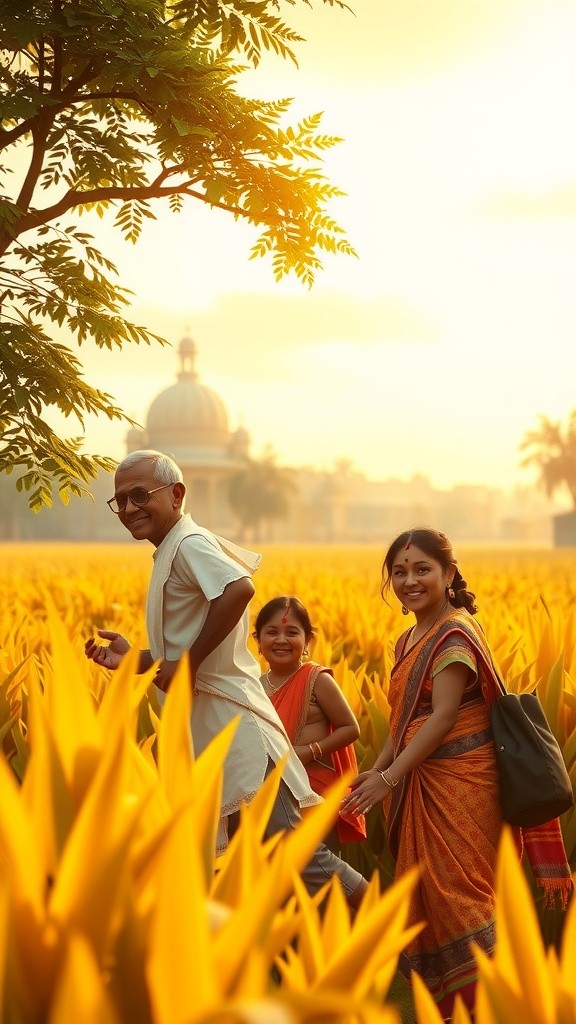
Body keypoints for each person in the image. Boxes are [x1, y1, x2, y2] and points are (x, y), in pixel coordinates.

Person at [84, 449, 367, 909]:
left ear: (176, 494)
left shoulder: (187, 543)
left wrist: (187, 665)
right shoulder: (171, 550)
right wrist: (135, 659)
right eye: (120, 500)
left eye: (140, 494)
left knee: (295, 854)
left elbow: (240, 589)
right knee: (252, 859)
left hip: (238, 734)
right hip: (218, 729)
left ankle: (398, 936)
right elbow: (187, 653)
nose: (130, 508)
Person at [341, 527, 572, 1021]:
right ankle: (451, 1010)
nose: (410, 580)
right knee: (429, 894)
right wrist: (374, 772)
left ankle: (487, 1006)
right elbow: (402, 721)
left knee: (462, 896)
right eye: (399, 572)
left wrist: (391, 778)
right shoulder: (407, 639)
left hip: (463, 782)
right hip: (420, 777)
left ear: (448, 574)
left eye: (422, 569)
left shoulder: (454, 632)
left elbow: (444, 716)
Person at [255, 595, 366, 852]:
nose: (281, 640)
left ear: (307, 641)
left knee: (320, 874)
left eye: (292, 632)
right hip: (273, 796)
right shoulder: (255, 687)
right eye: (272, 632)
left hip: (315, 794)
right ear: (258, 642)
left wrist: (309, 752)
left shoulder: (317, 679)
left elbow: (350, 728)